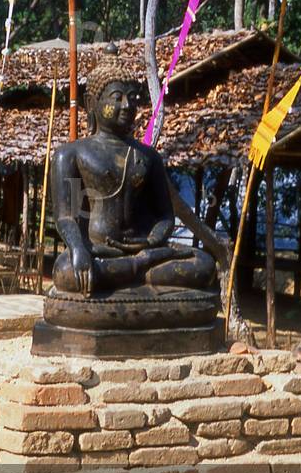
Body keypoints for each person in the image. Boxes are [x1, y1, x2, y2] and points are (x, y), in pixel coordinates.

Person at [50, 49, 216, 297]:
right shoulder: (72, 154)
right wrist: (78, 249)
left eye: (133, 97)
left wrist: (150, 243)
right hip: (98, 253)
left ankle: (136, 267)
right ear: (91, 103)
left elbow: (165, 217)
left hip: (144, 251)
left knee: (203, 265)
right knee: (66, 272)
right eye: (117, 97)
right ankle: (139, 269)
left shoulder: (148, 157)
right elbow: (66, 217)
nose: (127, 105)